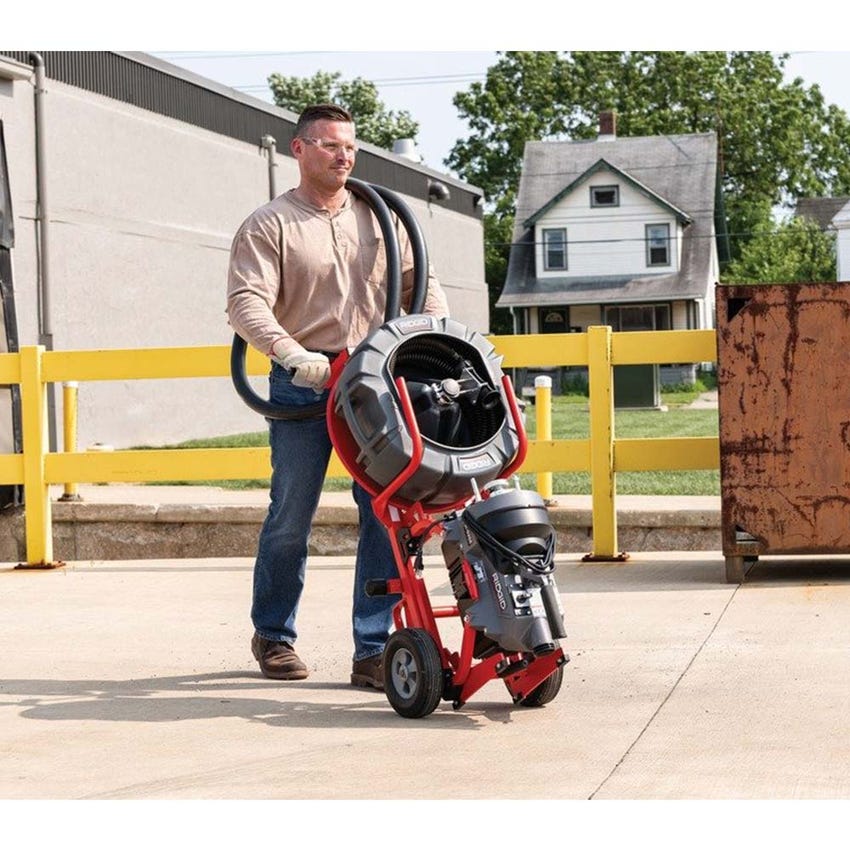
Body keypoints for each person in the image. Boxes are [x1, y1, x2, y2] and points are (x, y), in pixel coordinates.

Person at [226, 103, 449, 689]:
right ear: (298, 150)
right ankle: (273, 636)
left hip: (375, 382)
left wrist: (431, 333)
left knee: (385, 515)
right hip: (305, 381)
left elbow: (420, 286)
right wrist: (291, 354)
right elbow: (246, 301)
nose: (343, 155)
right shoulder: (269, 224)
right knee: (291, 515)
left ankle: (373, 647)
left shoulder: (381, 218)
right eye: (328, 145)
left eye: (349, 146)